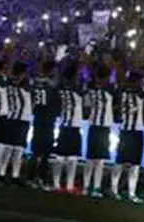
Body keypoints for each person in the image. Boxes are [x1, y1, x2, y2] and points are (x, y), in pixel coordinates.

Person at [111, 69, 144, 202]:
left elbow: (117, 107)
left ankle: (123, 191)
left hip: (128, 130)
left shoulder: (122, 92)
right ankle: (123, 191)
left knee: (126, 162)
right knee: (127, 163)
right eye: (140, 81)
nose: (141, 83)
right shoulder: (138, 93)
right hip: (132, 131)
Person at [51, 63, 84, 193]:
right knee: (72, 158)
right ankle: (69, 186)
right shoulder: (77, 90)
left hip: (64, 125)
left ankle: (56, 184)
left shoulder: (61, 88)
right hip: (74, 127)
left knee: (60, 157)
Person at [83, 63, 115, 197]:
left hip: (93, 125)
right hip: (104, 126)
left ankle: (86, 188)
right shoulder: (110, 89)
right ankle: (95, 188)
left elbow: (86, 104)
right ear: (107, 77)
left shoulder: (90, 88)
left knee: (90, 158)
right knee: (99, 160)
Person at [27, 59, 59, 188]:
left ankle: (31, 178)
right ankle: (40, 178)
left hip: (38, 118)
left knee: (36, 152)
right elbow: (54, 85)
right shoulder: (51, 84)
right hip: (47, 119)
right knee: (45, 152)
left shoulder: (36, 81)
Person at [2, 61, 33, 184]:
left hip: (12, 117)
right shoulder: (25, 84)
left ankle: (4, 173)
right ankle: (11, 175)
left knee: (11, 149)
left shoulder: (9, 82)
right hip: (21, 119)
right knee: (17, 149)